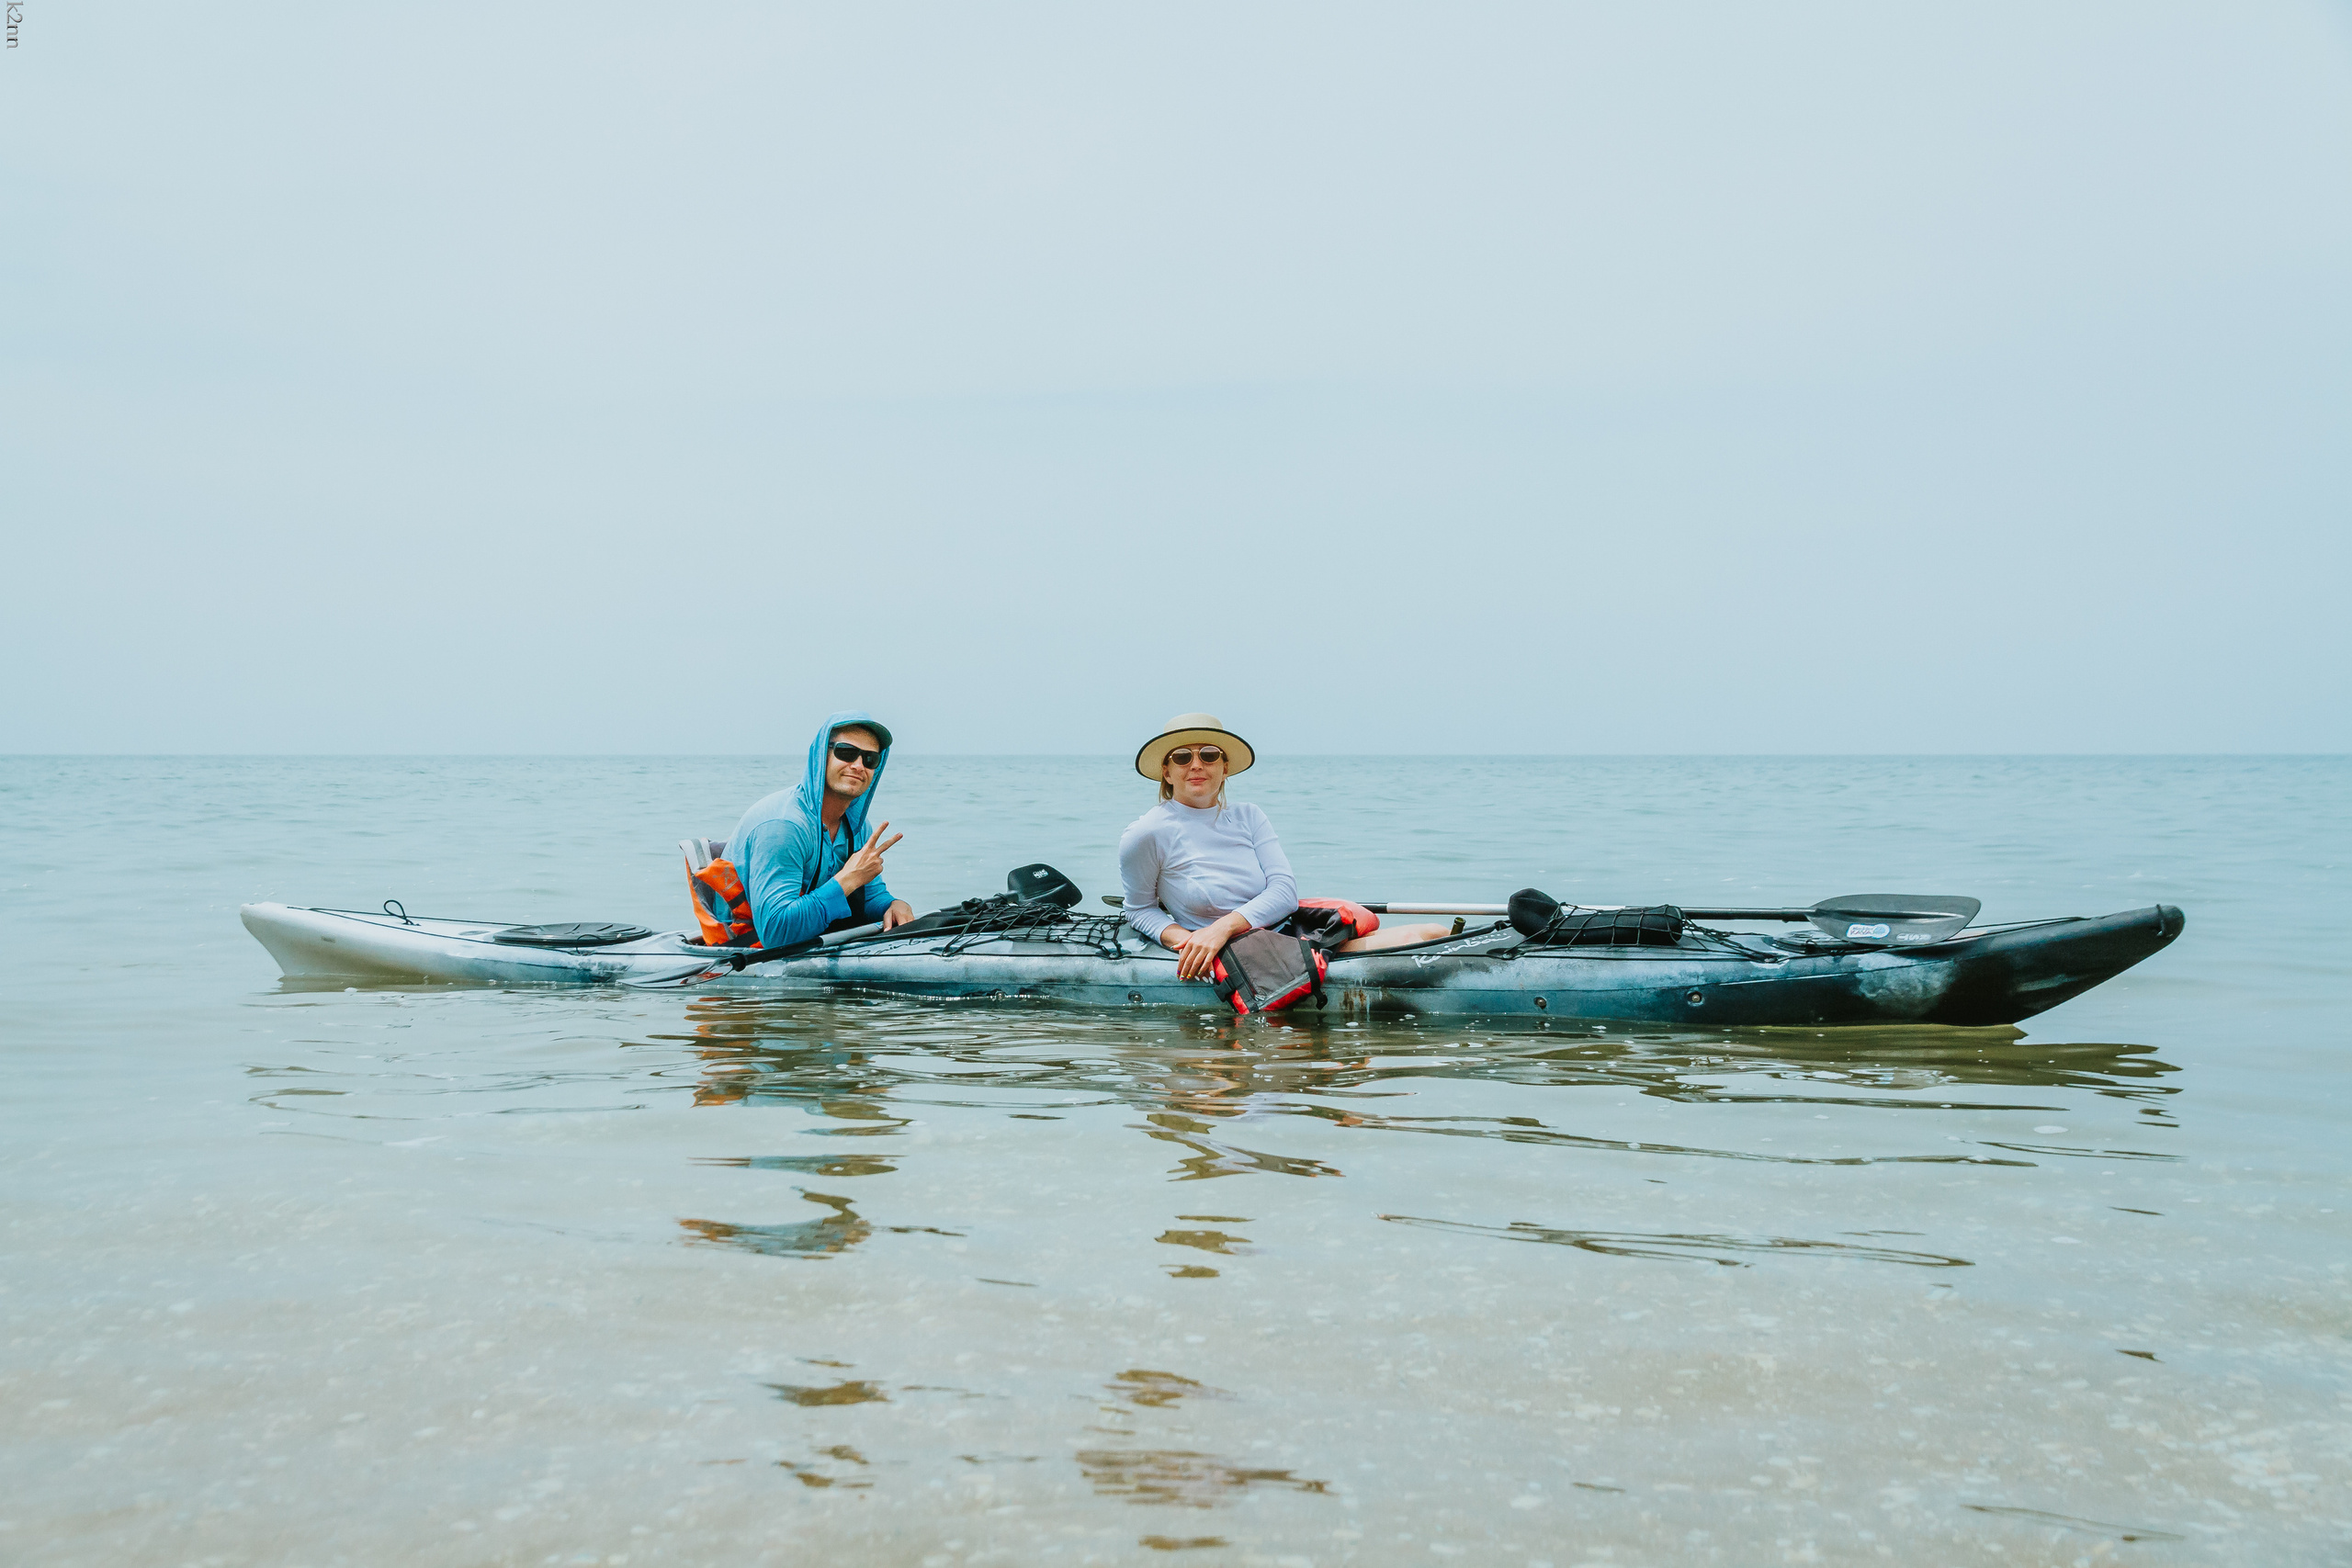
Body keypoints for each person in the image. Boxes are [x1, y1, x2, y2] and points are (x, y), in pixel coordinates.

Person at [1117, 713, 1452, 980]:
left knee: (1435, 931)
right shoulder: (1146, 832)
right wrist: (1190, 941)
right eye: (1181, 757)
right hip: (1242, 953)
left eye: (1208, 755)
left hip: (1287, 930)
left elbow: (1283, 891)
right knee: (1417, 940)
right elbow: (1139, 909)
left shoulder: (1249, 815)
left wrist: (1221, 928)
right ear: (1167, 770)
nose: (1196, 764)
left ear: (1224, 767)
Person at [729, 710, 915, 949]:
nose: (858, 766)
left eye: (870, 759)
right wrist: (848, 879)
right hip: (748, 950)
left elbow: (870, 896)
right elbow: (776, 934)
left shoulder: (856, 826)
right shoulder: (783, 827)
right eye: (846, 753)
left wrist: (894, 904)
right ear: (821, 755)